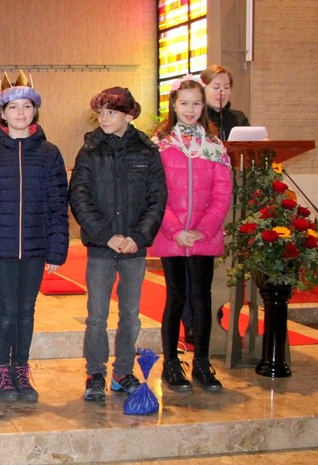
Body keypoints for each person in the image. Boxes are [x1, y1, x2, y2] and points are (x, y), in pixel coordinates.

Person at [0, 72, 69, 403]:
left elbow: (58, 204)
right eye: (13, 107)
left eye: (26, 106)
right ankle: (2, 369)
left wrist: (57, 249)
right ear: (2, 113)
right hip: (1, 248)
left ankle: (21, 369)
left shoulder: (50, 153)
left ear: (35, 110)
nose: (21, 113)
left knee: (27, 309)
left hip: (36, 247)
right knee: (7, 309)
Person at [69, 87, 167, 403]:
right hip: (101, 247)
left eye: (111, 112)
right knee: (97, 315)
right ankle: (95, 373)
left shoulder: (147, 151)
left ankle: (123, 372)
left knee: (131, 315)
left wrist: (137, 237)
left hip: (134, 249)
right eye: (100, 112)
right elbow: (79, 197)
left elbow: (157, 198)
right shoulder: (90, 150)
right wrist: (106, 235)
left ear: (128, 115)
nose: (104, 118)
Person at [150, 75, 232, 393]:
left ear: (204, 106)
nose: (190, 109)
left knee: (201, 297)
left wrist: (203, 230)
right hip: (172, 235)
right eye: (184, 103)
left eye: (197, 103)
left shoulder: (213, 145)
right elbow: (155, 192)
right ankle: (171, 363)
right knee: (175, 296)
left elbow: (222, 193)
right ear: (173, 104)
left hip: (202, 235)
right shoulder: (160, 144)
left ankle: (201, 362)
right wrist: (175, 230)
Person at [200, 65, 249, 142]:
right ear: (202, 90)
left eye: (226, 87)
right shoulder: (196, 119)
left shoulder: (239, 118)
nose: (222, 93)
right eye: (216, 87)